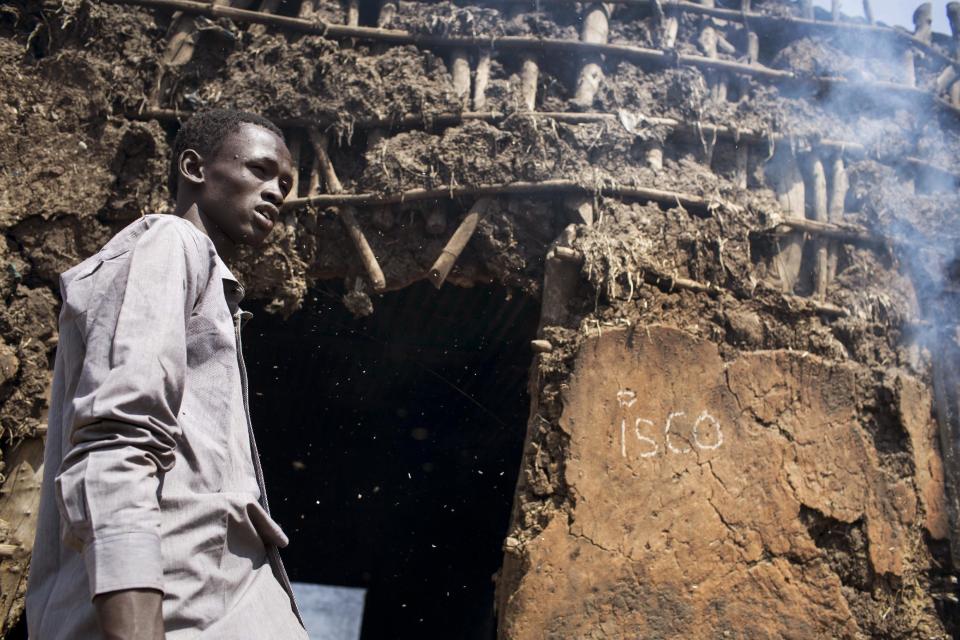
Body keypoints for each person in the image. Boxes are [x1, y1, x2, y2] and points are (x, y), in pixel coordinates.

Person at [25, 109, 307, 639]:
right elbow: (118, 444)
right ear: (195, 168)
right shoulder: (170, 242)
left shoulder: (207, 281)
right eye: (260, 170)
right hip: (180, 615)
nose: (277, 193)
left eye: (285, 184)